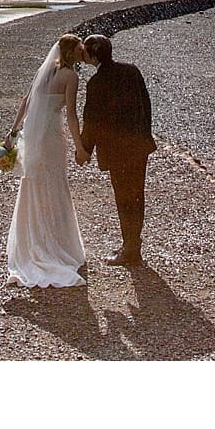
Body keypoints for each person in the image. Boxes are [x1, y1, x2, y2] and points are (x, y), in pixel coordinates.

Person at [4, 34, 88, 287]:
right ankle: (56, 245)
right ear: (72, 53)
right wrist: (80, 146)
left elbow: (26, 102)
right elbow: (71, 115)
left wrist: (13, 131)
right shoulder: (70, 77)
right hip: (52, 138)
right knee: (55, 187)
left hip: (34, 138)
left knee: (34, 186)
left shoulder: (45, 71)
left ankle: (33, 242)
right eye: (80, 50)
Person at [77, 32, 154, 267]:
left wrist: (84, 149)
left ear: (92, 56)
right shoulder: (132, 71)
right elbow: (146, 104)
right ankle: (133, 245)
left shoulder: (96, 83)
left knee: (123, 198)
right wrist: (145, 135)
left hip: (117, 151)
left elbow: (92, 120)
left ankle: (129, 249)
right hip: (138, 145)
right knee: (137, 195)